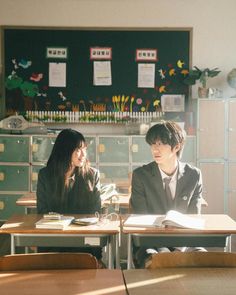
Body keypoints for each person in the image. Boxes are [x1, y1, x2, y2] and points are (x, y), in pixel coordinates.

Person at [130, 120, 205, 268]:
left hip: (185, 243)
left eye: (160, 144)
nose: (154, 150)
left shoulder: (193, 175)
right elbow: (141, 219)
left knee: (205, 259)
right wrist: (164, 251)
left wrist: (179, 250)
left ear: (176, 147)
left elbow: (193, 218)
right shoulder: (141, 175)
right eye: (152, 144)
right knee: (155, 260)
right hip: (151, 243)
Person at [36, 128, 103, 263]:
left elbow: (96, 211)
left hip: (83, 240)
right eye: (78, 150)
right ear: (65, 150)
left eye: (84, 149)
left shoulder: (92, 175)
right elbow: (42, 211)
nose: (83, 154)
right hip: (54, 238)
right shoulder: (45, 175)